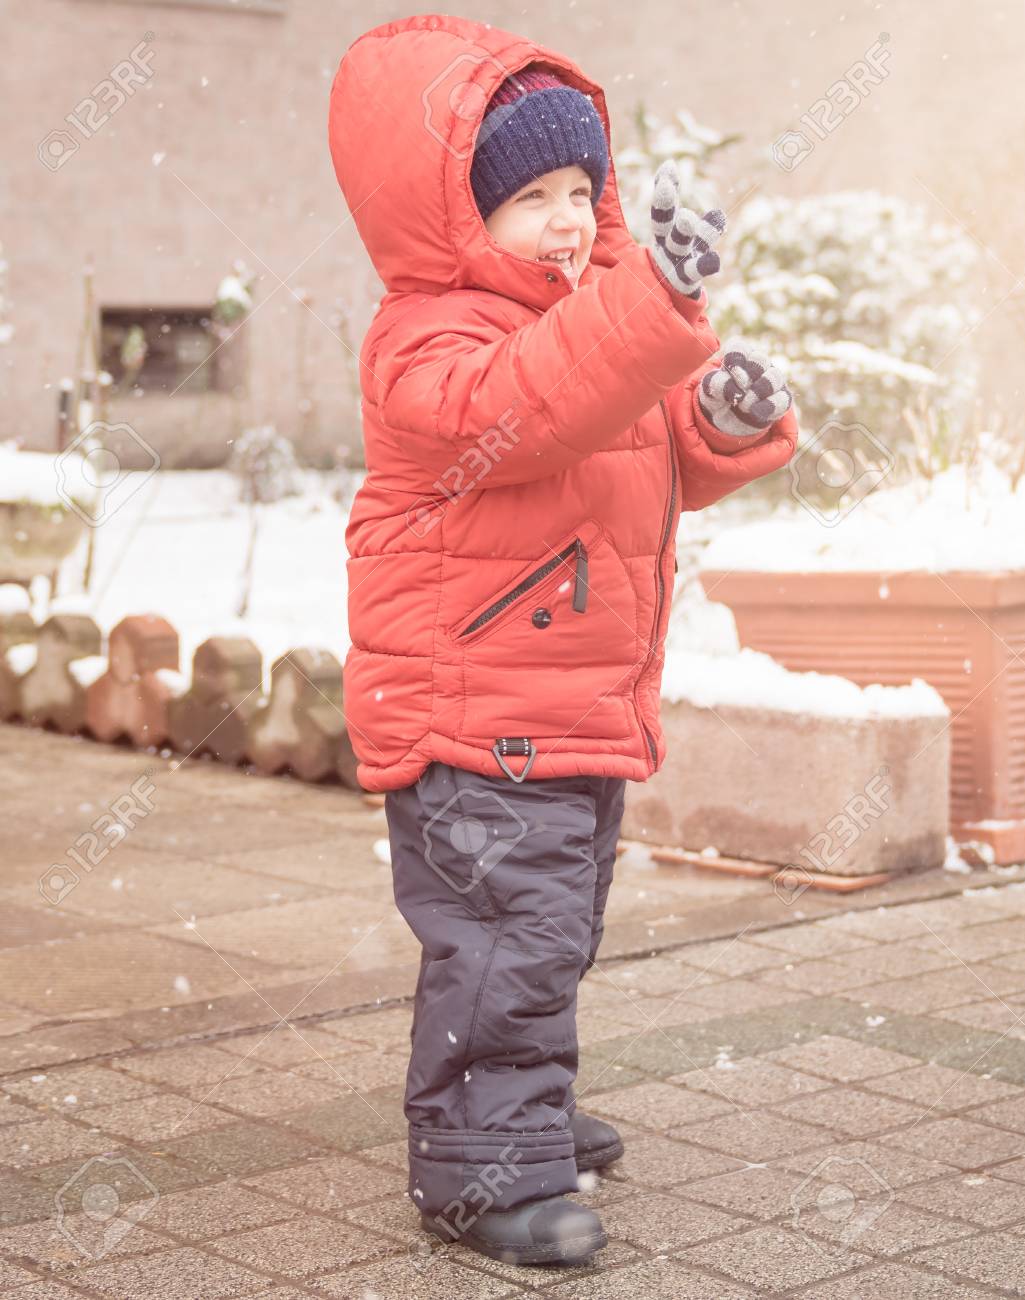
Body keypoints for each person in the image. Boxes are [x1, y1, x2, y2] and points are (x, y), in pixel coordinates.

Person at [327, 14, 799, 1267]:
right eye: (527, 194)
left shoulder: (590, 321)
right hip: (473, 711)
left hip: (571, 704)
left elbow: (633, 441)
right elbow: (531, 413)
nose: (567, 217)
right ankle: (483, 1164)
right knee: (505, 939)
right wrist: (650, 303)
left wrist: (723, 413)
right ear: (446, 215)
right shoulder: (430, 340)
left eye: (582, 188)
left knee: (553, 926)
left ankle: (517, 1110)